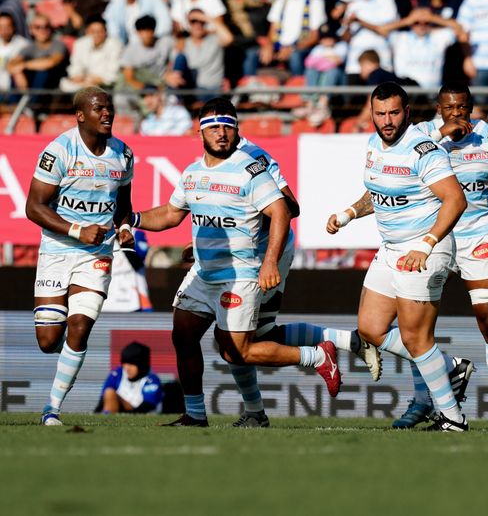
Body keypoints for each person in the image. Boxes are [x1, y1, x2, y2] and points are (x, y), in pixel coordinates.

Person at [131, 97, 342, 427]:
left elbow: (284, 211)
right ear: (199, 132)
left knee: (236, 351)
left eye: (228, 127)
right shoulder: (192, 173)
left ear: (236, 131)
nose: (221, 134)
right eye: (213, 127)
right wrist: (132, 218)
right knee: (183, 334)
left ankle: (316, 355)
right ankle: (195, 414)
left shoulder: (250, 169)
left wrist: (270, 262)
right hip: (204, 273)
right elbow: (171, 214)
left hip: (239, 274)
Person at [327, 81, 471, 431]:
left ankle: (453, 418)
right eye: (380, 113)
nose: (387, 120)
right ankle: (448, 367)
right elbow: (377, 190)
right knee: (371, 329)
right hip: (390, 250)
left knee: (415, 339)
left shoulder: (423, 150)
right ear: (371, 114)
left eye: (394, 112)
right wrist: (348, 213)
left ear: (407, 112)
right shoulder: (374, 144)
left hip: (424, 250)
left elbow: (455, 200)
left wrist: (426, 244)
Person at [399, 82, 488, 431]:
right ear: (439, 108)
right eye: (449, 108)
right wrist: (442, 136)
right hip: (433, 239)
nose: (456, 113)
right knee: (416, 326)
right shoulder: (423, 135)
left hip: (478, 238)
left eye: (462, 107)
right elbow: (399, 175)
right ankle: (422, 400)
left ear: (471, 107)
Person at [25, 86, 135, 426]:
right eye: (99, 108)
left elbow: (124, 208)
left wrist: (125, 227)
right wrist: (76, 229)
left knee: (80, 327)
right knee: (48, 340)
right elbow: (33, 207)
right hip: (57, 251)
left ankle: (52, 409)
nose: (107, 113)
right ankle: (66, 359)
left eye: (109, 107)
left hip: (97, 255)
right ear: (80, 115)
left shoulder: (124, 155)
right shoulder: (59, 150)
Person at [59, 15, 123, 93]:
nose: (97, 35)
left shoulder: (115, 44)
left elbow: (113, 72)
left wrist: (95, 80)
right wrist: (77, 76)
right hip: (83, 82)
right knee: (64, 84)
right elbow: (76, 64)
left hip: (105, 84)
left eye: (100, 31)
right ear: (87, 32)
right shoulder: (80, 43)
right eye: (93, 31)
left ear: (106, 31)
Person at [96, 341, 162, 413]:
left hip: (139, 414)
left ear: (142, 365)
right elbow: (103, 400)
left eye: (131, 364)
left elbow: (147, 406)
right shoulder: (117, 374)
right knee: (109, 393)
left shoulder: (151, 380)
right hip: (120, 412)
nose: (127, 368)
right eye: (125, 363)